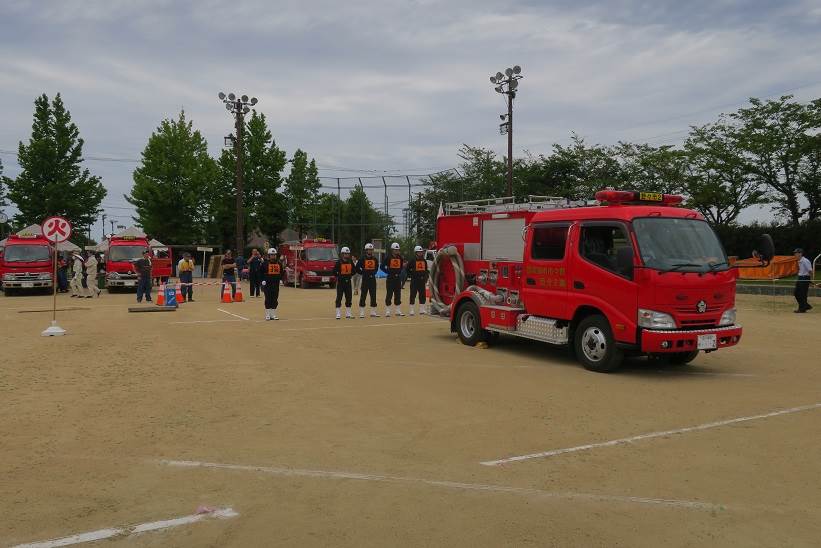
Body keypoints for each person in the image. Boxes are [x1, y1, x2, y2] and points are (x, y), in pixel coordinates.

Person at [356, 243, 380, 318]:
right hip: (365, 279)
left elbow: (376, 267)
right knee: (363, 295)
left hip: (372, 279)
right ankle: (362, 312)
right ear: (366, 250)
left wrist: (374, 273)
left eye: (371, 250)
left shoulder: (375, 259)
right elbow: (357, 268)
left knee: (373, 295)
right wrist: (363, 273)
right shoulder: (362, 259)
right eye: (369, 250)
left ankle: (373, 312)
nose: (370, 251)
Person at [381, 242, 404, 317]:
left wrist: (399, 272)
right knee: (389, 294)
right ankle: (388, 311)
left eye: (398, 249)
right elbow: (382, 266)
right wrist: (388, 272)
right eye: (395, 249)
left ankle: (398, 311)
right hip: (390, 278)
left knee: (398, 294)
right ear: (392, 250)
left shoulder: (400, 257)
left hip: (397, 278)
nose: (397, 251)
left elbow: (401, 267)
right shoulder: (388, 257)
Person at [406, 245, 429, 316]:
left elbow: (425, 270)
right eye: (419, 252)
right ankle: (411, 310)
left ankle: (422, 309)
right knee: (413, 294)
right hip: (414, 280)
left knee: (422, 294)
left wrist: (425, 278)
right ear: (416, 253)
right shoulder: (412, 260)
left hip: (422, 280)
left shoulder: (424, 261)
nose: (420, 253)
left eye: (421, 252)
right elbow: (407, 269)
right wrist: (411, 275)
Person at [261, 248, 283, 320]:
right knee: (268, 298)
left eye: (274, 255)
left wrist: (280, 279)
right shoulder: (265, 263)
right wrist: (262, 280)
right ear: (269, 255)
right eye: (271, 255)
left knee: (275, 299)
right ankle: (267, 314)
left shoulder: (279, 263)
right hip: (267, 284)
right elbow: (260, 272)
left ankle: (273, 314)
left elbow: (281, 272)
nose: (273, 256)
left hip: (275, 284)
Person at [333, 246, 355, 319]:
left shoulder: (350, 262)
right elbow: (334, 271)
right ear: (342, 254)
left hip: (348, 282)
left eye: (348, 254)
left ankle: (348, 313)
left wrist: (349, 275)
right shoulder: (339, 262)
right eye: (345, 254)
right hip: (340, 283)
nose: (346, 255)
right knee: (339, 297)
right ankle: (338, 313)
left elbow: (354, 270)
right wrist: (339, 276)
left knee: (349, 297)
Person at [794, 248, 813, 313]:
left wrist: (810, 280)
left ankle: (802, 309)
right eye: (795, 253)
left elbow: (810, 271)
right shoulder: (799, 261)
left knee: (803, 294)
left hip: (805, 278)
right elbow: (801, 270)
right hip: (800, 278)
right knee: (796, 293)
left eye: (796, 253)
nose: (795, 254)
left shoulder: (805, 261)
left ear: (800, 254)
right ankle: (806, 305)